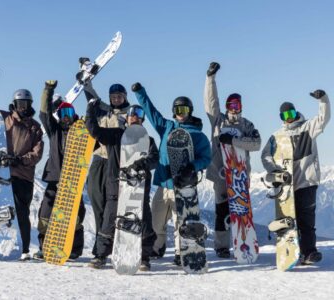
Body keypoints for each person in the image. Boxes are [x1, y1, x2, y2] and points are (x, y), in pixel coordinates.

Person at [132, 82, 211, 265]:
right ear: (173, 111)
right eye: (177, 109)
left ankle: (179, 252)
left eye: (184, 109)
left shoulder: (198, 135)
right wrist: (140, 93)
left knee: (180, 221)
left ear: (190, 111)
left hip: (183, 185)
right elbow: (151, 112)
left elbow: (206, 157)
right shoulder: (167, 127)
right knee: (155, 219)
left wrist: (193, 166)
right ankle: (157, 248)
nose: (181, 113)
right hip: (163, 182)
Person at [0, 67, 44, 260]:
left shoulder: (34, 127)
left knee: (21, 212)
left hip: (22, 175)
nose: (23, 107)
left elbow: (37, 154)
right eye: (20, 103)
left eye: (26, 103)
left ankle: (22, 249)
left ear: (30, 104)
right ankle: (0, 244)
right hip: (1, 174)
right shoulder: (3, 118)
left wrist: (19, 160)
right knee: (1, 211)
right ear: (14, 104)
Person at [85, 100, 158, 271]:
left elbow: (155, 159)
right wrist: (90, 110)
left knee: (144, 222)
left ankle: (144, 257)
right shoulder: (116, 135)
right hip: (116, 187)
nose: (134, 117)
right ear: (126, 118)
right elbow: (93, 130)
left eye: (138, 114)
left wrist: (143, 163)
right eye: (131, 114)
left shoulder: (149, 140)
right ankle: (100, 255)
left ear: (142, 119)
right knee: (109, 222)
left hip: (138, 190)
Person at [261, 90, 330, 265]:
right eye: (285, 115)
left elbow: (324, 119)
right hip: (286, 184)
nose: (289, 118)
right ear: (281, 117)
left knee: (307, 218)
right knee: (289, 220)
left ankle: (309, 252)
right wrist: (274, 170)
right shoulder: (277, 136)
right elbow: (265, 155)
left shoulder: (308, 127)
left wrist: (323, 99)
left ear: (296, 113)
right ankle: (291, 250)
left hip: (306, 180)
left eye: (291, 113)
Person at [203, 62, 261, 258]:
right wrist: (210, 78)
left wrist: (235, 141)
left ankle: (244, 242)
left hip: (240, 174)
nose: (234, 109)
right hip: (221, 173)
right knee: (222, 211)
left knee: (240, 209)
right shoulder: (219, 121)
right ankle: (221, 246)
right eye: (231, 105)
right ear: (227, 107)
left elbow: (256, 143)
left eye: (237, 105)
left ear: (241, 107)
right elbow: (211, 102)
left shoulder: (247, 124)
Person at [33, 80, 86, 260]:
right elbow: (43, 113)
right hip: (55, 178)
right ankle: (45, 247)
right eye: (63, 113)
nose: (66, 117)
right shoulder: (54, 131)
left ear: (74, 115)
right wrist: (48, 90)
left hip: (74, 181)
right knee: (46, 214)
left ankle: (75, 249)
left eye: (69, 113)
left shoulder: (82, 134)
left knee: (75, 216)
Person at [82, 79, 131, 260]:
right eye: (113, 97)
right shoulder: (105, 110)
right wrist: (86, 82)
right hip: (99, 159)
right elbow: (92, 100)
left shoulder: (129, 113)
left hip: (116, 160)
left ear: (125, 97)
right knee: (97, 202)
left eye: (119, 96)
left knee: (114, 205)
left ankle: (115, 245)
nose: (116, 99)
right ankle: (101, 244)